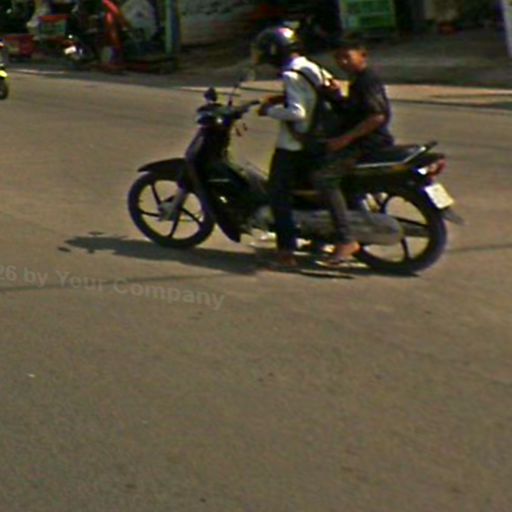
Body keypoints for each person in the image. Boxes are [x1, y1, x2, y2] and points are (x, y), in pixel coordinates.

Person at [251, 25, 334, 268]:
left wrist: (270, 110)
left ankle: (286, 252)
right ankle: (318, 240)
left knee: (278, 195)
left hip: (293, 145)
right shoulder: (312, 67)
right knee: (306, 192)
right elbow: (315, 96)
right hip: (318, 139)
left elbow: (297, 112)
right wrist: (281, 98)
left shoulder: (290, 75)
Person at [312, 39, 395, 267]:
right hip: (362, 141)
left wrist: (344, 139)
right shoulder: (357, 80)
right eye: (339, 58)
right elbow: (354, 112)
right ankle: (322, 234)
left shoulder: (368, 80)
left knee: (324, 178)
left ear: (363, 56)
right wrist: (336, 97)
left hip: (367, 143)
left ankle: (345, 238)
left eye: (347, 57)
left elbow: (377, 116)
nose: (342, 62)